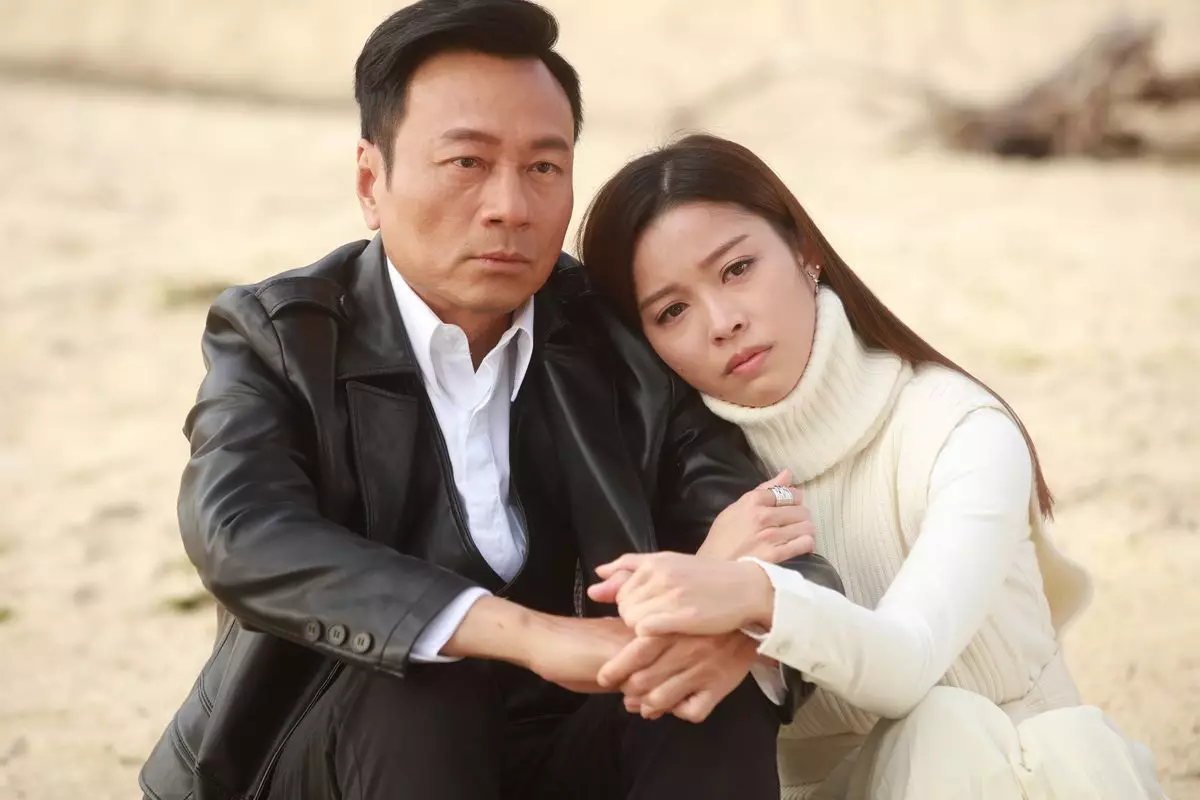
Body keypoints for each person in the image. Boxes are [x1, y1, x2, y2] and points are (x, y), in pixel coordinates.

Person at [137, 4, 843, 800]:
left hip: (564, 752)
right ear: (371, 182)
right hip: (325, 760)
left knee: (704, 685)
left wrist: (740, 626)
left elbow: (783, 551)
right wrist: (531, 637)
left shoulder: (616, 333)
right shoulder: (281, 336)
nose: (511, 205)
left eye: (543, 168)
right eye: (467, 162)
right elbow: (239, 532)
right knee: (424, 672)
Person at [579, 133, 1165, 799]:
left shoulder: (957, 429)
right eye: (672, 310)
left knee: (944, 728)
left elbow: (908, 663)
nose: (722, 321)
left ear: (805, 250)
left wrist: (751, 592)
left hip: (1030, 781)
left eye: (737, 269)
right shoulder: (680, 487)